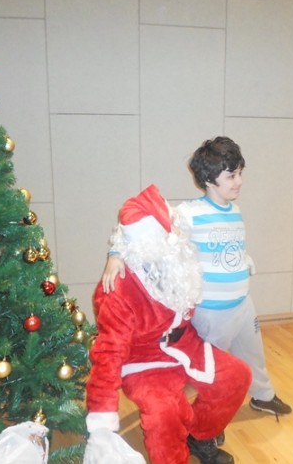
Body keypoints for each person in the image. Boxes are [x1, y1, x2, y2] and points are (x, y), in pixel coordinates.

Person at [103, 137, 291, 419]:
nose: (239, 181)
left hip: (243, 303)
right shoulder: (189, 214)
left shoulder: (235, 211)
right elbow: (138, 226)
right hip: (212, 313)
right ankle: (204, 425)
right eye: (231, 176)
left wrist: (244, 262)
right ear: (209, 179)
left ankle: (263, 396)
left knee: (254, 354)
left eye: (240, 173)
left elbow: (228, 251)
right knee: (209, 373)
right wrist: (115, 254)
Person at [85, 184, 251, 464]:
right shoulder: (118, 288)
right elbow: (108, 354)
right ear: (147, 244)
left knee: (236, 376)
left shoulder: (177, 253)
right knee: (164, 415)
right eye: (168, 233)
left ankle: (199, 436)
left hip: (186, 345)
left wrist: (115, 252)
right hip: (144, 362)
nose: (176, 237)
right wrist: (102, 420)